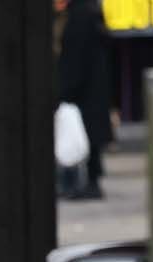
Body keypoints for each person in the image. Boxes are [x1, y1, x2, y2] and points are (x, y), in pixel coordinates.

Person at [57, 0, 111, 200]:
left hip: (82, 91)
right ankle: (90, 180)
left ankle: (81, 182)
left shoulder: (79, 15)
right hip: (93, 88)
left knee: (78, 136)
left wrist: (64, 90)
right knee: (89, 138)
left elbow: (74, 56)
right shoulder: (91, 12)